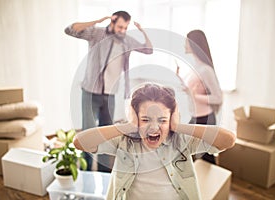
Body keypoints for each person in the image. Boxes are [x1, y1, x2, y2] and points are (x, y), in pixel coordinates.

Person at [73, 83, 235, 200]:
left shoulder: (180, 140)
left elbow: (228, 140)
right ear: (136, 119)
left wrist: (179, 126)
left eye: (162, 120)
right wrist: (127, 126)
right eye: (145, 119)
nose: (154, 127)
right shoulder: (124, 141)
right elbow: (80, 142)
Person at [65, 11, 153, 172]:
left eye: (125, 27)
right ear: (112, 22)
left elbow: (148, 50)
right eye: (120, 26)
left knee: (107, 136)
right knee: (88, 135)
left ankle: (105, 173)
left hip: (110, 95)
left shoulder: (126, 40)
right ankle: (87, 172)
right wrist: (98, 20)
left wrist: (142, 31)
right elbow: (70, 29)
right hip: (91, 92)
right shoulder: (96, 34)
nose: (122, 30)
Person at [177, 30, 223, 164]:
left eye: (187, 42)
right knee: (195, 154)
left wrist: (195, 95)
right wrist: (186, 87)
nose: (184, 45)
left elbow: (217, 97)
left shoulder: (206, 70)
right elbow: (194, 90)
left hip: (205, 119)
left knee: (206, 157)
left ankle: (216, 183)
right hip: (196, 116)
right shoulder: (195, 67)